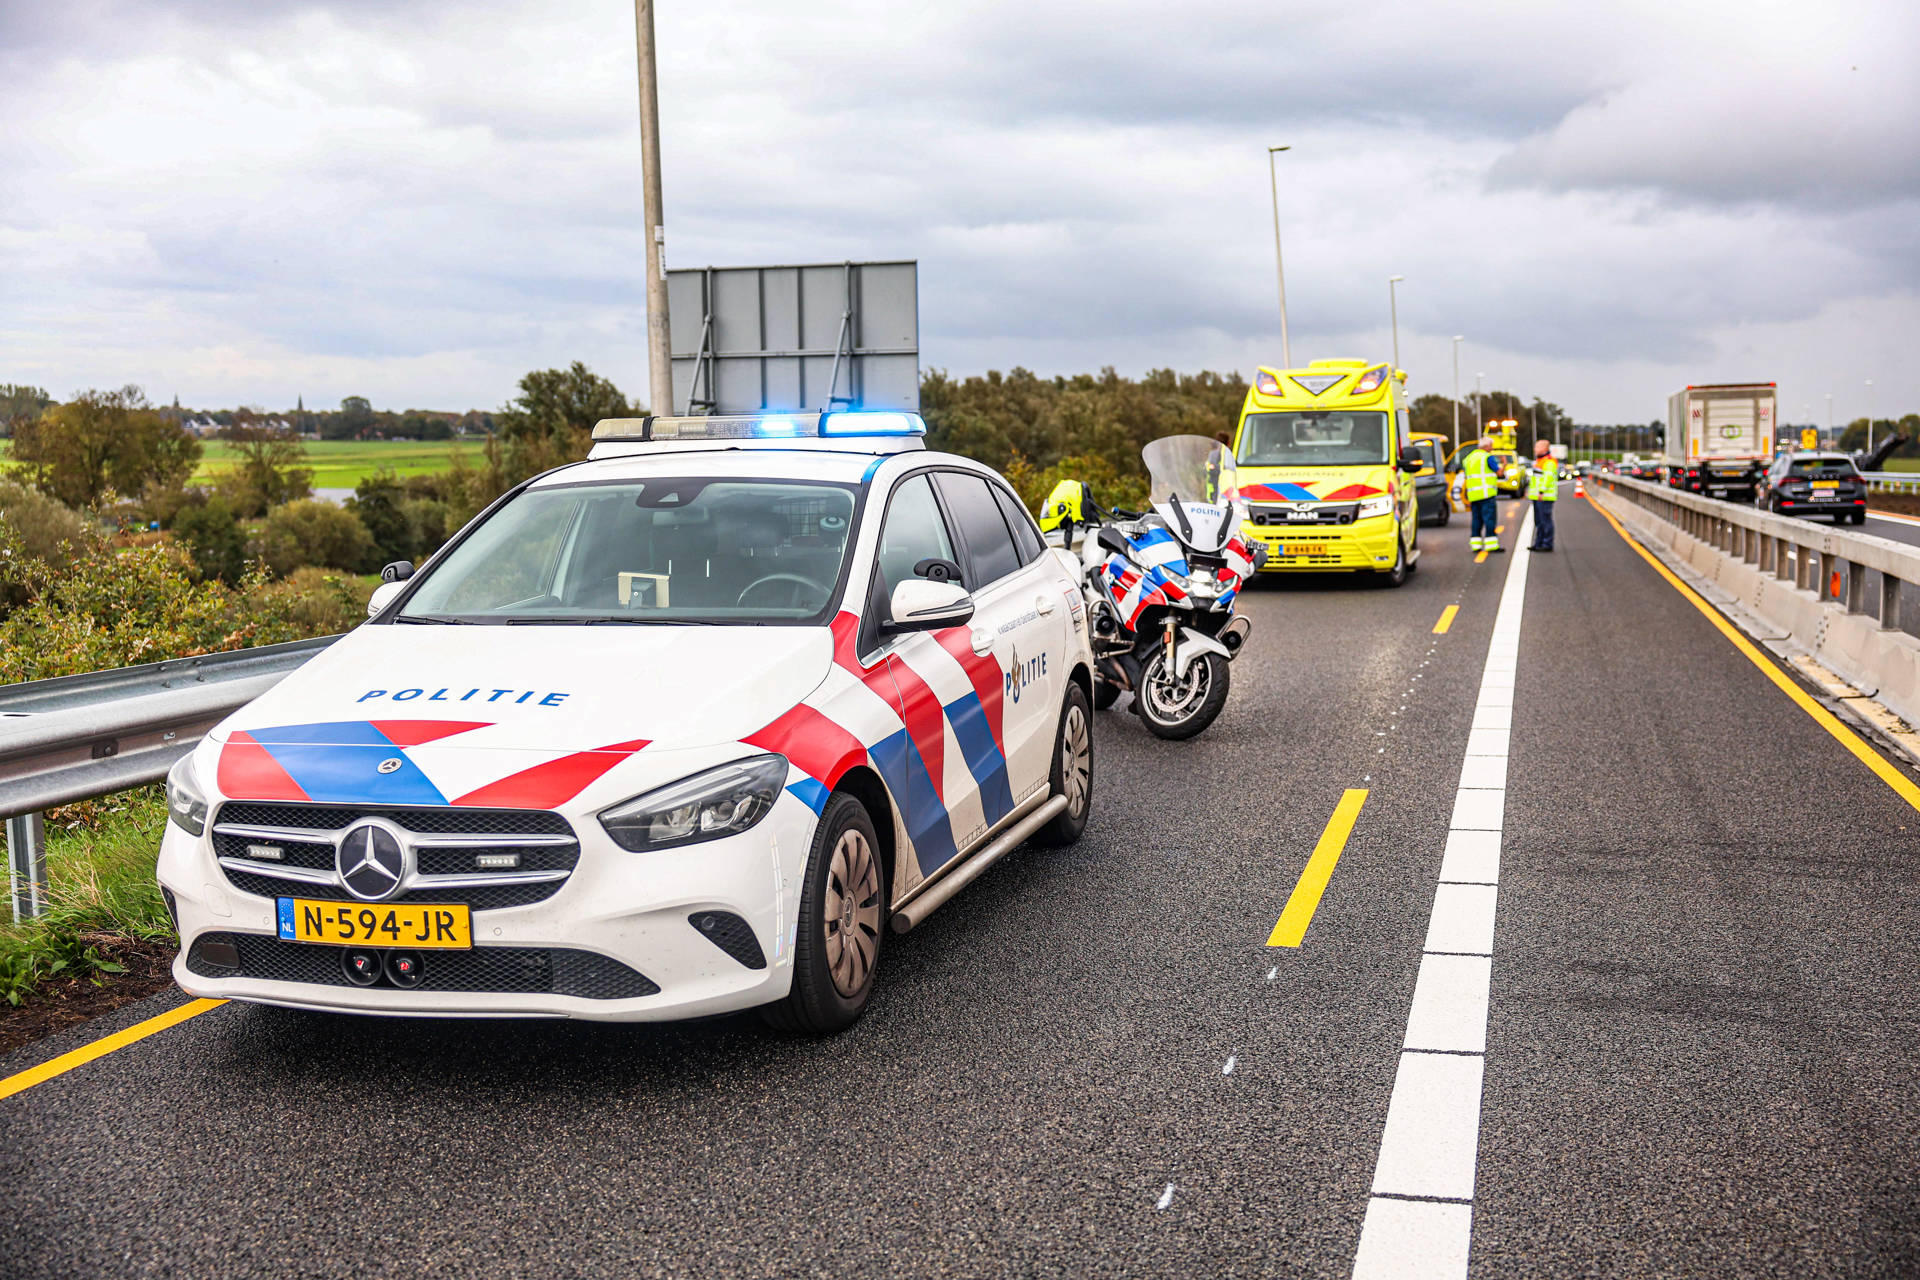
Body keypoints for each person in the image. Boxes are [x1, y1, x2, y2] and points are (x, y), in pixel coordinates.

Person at [1460, 435, 1505, 553]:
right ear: (1487, 446)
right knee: (1489, 519)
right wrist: (1504, 463)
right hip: (1486, 494)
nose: (1492, 448)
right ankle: (1491, 545)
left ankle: (1476, 545)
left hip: (1473, 495)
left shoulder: (1468, 458)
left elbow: (1466, 477)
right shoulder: (1487, 457)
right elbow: (1499, 472)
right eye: (1491, 446)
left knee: (1476, 520)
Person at [1527, 439, 1559, 552]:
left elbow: (1548, 478)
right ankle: (1538, 543)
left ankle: (1547, 543)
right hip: (1538, 496)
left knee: (1545, 520)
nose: (1535, 449)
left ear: (1544, 449)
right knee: (1539, 521)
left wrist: (1541, 491)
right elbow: (1536, 479)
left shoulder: (1549, 462)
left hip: (1544, 496)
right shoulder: (1539, 461)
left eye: (1537, 447)